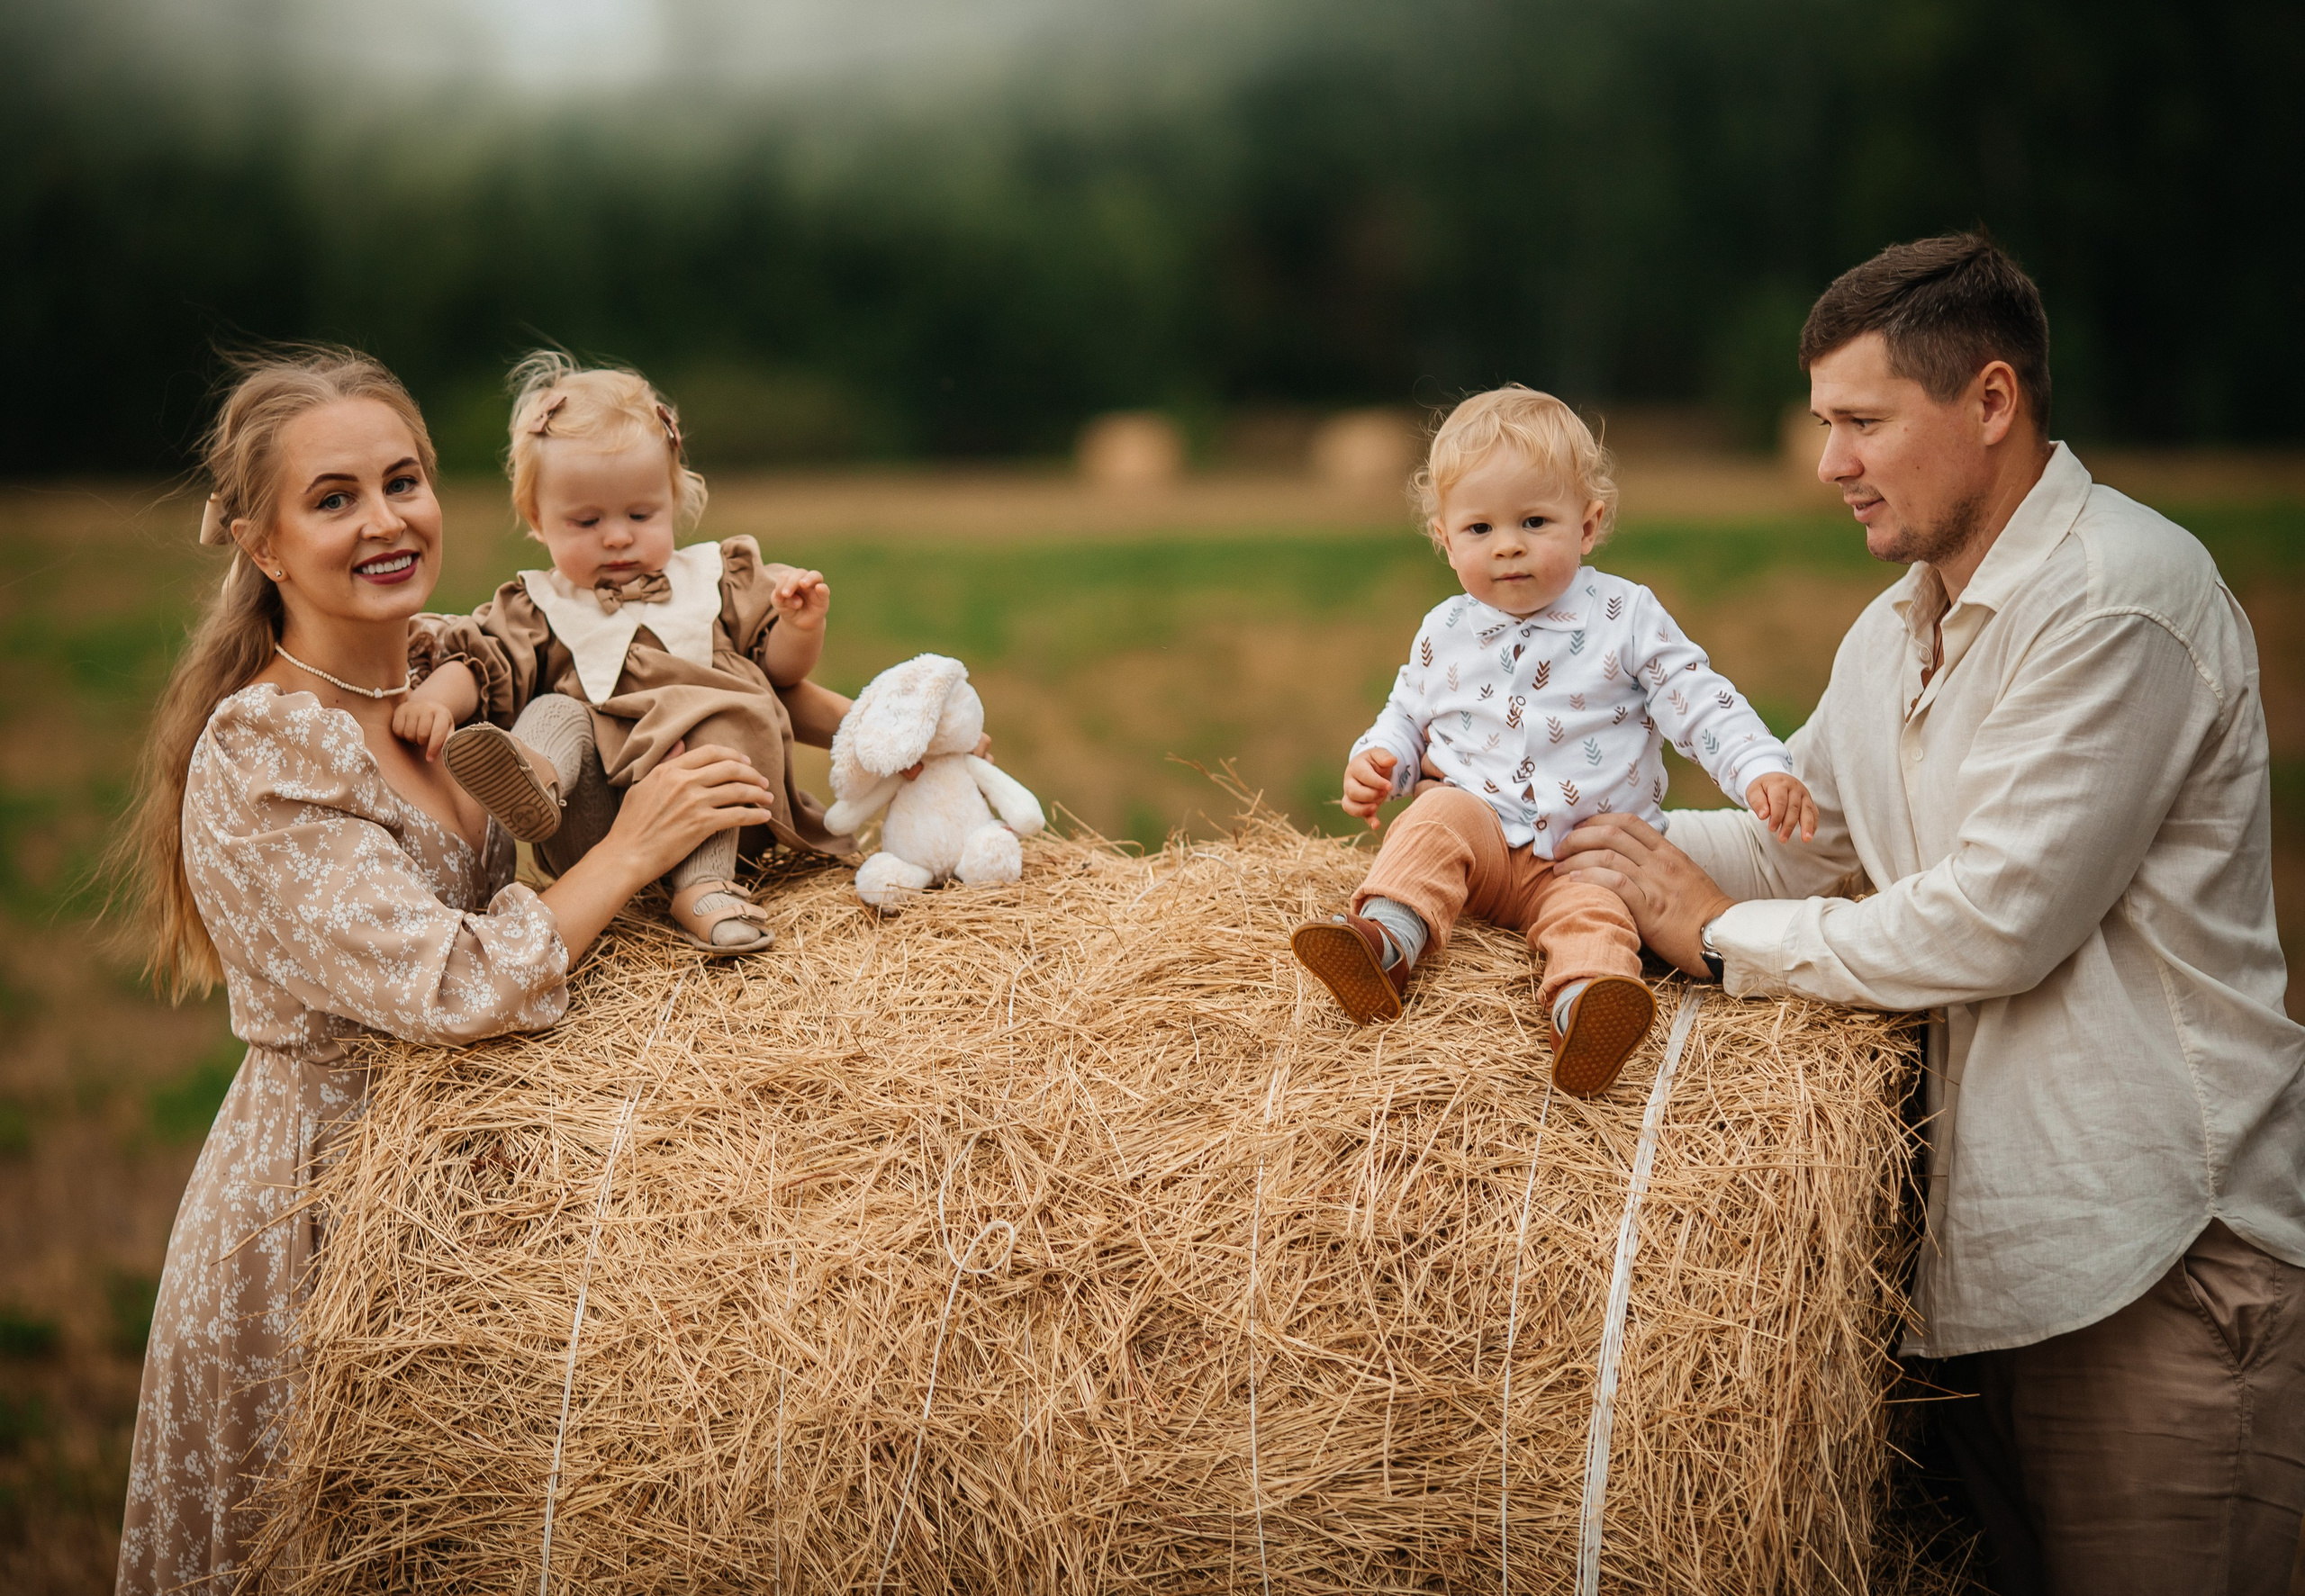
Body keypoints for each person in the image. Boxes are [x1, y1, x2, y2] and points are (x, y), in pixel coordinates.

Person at [1553, 234, 2305, 1593]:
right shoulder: (1895, 630)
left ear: (1990, 402)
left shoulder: (2117, 597)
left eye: (1861, 422)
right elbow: (1798, 843)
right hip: (1987, 1287)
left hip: (2158, 1270)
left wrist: (1715, 939)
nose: (1828, 463)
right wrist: (1559, 846)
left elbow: (1997, 918)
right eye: (1821, 424)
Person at [110, 347, 780, 1594]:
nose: (385, 521)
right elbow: (453, 984)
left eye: (403, 481)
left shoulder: (448, 667)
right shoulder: (267, 749)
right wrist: (633, 851)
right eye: (334, 499)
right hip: (321, 1213)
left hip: (467, 1196)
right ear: (259, 544)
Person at [1289, 386, 1816, 1096]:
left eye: (1534, 521)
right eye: (1480, 528)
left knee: (1597, 914)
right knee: (1433, 818)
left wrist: (1758, 766)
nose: (1507, 544)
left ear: (1588, 524)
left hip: (1583, 852)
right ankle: (1384, 943)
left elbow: (1697, 699)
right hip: (1480, 835)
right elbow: (1407, 710)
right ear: (1445, 539)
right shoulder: (1444, 629)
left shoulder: (1623, 616)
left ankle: (1585, 1011)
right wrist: (1381, 758)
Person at [399, 351, 855, 954]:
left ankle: (705, 886)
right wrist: (436, 698)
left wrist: (800, 625)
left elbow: (781, 673)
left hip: (722, 816)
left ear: (674, 500)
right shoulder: (538, 606)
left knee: (719, 721)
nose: (617, 537)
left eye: (641, 514)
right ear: (538, 519)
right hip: (596, 826)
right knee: (555, 712)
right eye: (586, 522)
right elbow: (483, 663)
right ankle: (533, 780)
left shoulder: (715, 581)